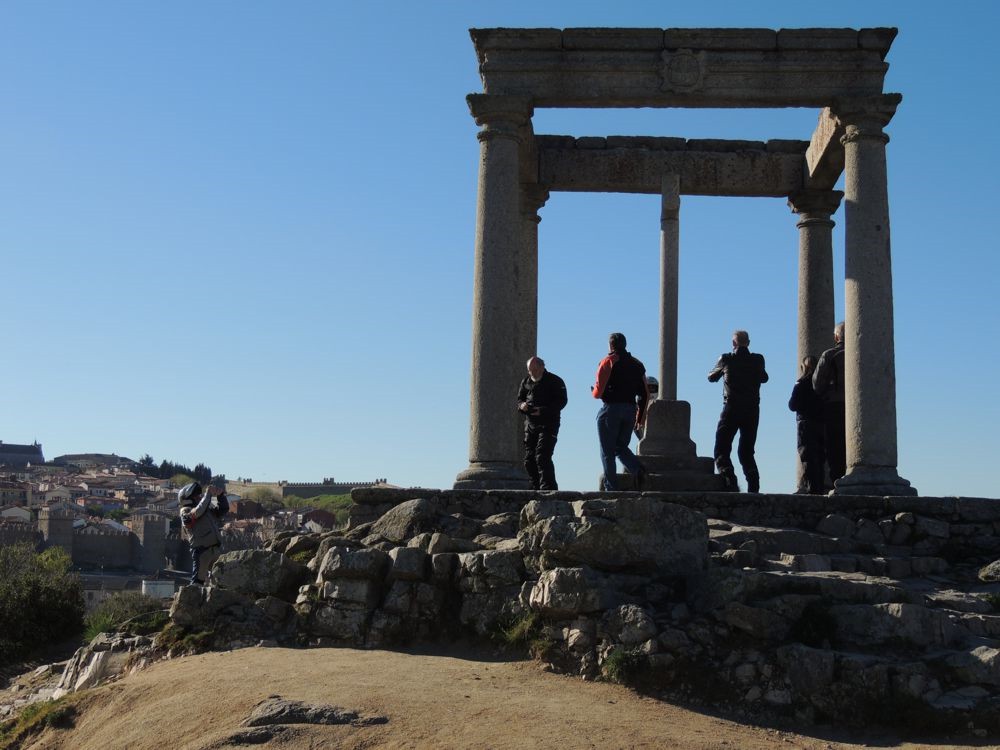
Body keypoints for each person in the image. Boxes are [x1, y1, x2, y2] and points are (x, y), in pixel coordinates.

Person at [708, 329, 769, 492]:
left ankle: (730, 480)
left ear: (733, 343)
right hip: (752, 409)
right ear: (748, 343)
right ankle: (754, 487)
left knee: (721, 448)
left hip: (732, 407)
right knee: (746, 451)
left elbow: (711, 377)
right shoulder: (758, 359)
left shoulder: (726, 359)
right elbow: (764, 377)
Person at [592, 332, 649, 491]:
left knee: (607, 451)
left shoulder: (608, 361)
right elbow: (645, 393)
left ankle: (611, 488)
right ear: (625, 344)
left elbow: (598, 392)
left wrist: (593, 392)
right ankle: (638, 470)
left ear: (611, 346)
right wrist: (640, 418)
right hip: (630, 410)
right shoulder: (638, 364)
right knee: (620, 446)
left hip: (611, 410)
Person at [516, 356, 568, 490]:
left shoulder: (555, 381)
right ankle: (535, 487)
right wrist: (522, 406)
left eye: (534, 370)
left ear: (542, 367)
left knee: (542, 456)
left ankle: (548, 488)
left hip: (549, 424)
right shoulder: (526, 381)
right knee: (529, 459)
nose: (532, 373)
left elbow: (562, 401)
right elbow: (519, 400)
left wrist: (542, 410)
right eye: (529, 370)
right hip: (530, 425)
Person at [812, 321, 846, 485]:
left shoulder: (829, 355)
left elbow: (817, 384)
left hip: (834, 405)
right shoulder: (863, 354)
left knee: (834, 447)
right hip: (860, 409)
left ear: (836, 337)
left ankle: (837, 482)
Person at [178, 481, 229, 585]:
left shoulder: (205, 509)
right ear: (188, 499)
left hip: (215, 549)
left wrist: (220, 496)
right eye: (196, 496)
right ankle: (190, 595)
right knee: (197, 581)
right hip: (201, 551)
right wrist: (208, 494)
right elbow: (197, 512)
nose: (199, 497)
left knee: (221, 579)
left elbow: (222, 510)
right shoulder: (185, 511)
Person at [788, 355, 825, 494]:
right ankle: (820, 487)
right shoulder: (822, 384)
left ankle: (810, 488)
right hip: (821, 422)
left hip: (805, 423)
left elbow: (792, 405)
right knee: (820, 456)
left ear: (804, 367)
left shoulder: (801, 383)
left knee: (807, 455)